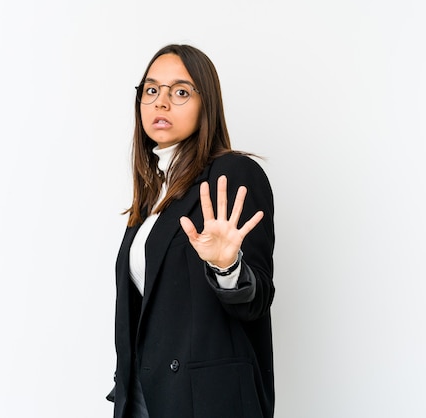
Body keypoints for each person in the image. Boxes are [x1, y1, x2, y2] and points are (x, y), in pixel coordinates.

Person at [107, 44, 276, 418]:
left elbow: (258, 297)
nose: (161, 102)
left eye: (180, 92)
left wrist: (228, 267)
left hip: (205, 401)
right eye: (151, 90)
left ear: (206, 105)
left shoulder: (231, 174)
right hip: (142, 396)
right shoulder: (153, 194)